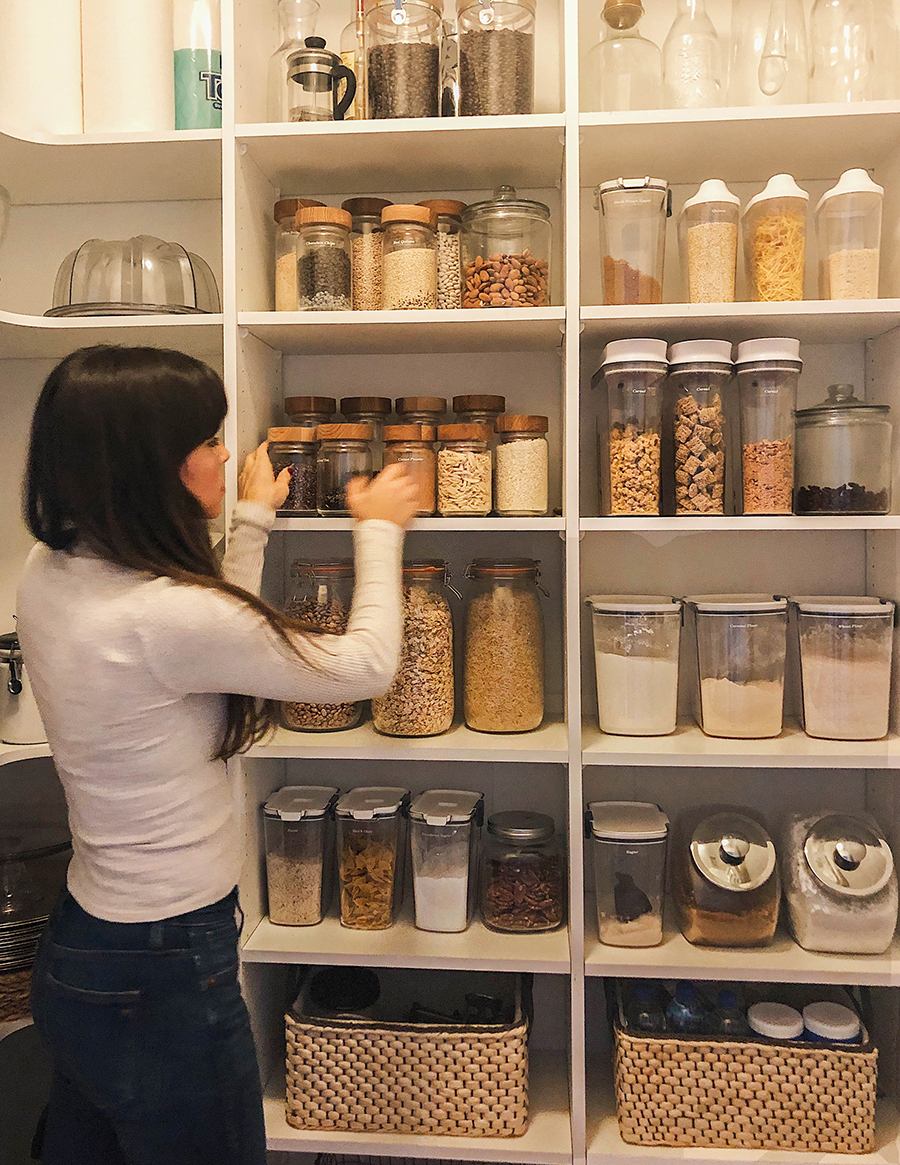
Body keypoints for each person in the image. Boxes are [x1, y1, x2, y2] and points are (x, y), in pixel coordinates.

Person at [18, 345, 418, 1165]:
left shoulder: (50, 569)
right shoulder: (164, 616)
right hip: (164, 975)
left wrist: (254, 523)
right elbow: (366, 665)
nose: (227, 453)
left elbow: (203, 641)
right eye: (207, 442)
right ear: (150, 472)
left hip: (83, 951)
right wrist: (378, 531)